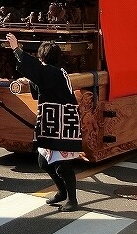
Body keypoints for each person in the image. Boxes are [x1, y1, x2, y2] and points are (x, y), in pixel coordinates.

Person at [6, 33, 82, 211]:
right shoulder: (53, 72)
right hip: (52, 122)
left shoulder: (53, 72)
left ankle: (72, 199)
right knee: (43, 161)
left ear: (43, 57)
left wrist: (17, 49)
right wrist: (30, 79)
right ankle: (62, 191)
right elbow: (39, 79)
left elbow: (37, 71)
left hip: (62, 123)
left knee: (63, 165)